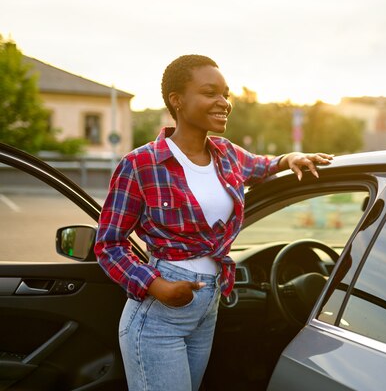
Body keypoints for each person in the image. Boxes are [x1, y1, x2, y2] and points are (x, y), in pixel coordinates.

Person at [94, 54, 333, 391]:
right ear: (177, 101)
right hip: (158, 318)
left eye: (226, 94)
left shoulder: (227, 154)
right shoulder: (141, 164)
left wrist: (290, 158)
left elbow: (263, 165)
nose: (224, 103)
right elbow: (108, 244)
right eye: (211, 93)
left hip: (208, 309)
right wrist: (156, 285)